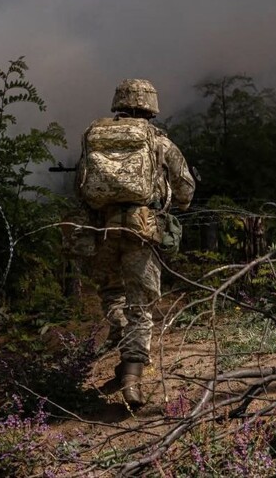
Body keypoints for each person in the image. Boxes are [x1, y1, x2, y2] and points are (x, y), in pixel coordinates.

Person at [75, 79, 195, 408]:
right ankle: (131, 374)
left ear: (118, 103)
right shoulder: (158, 141)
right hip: (140, 234)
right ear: (150, 107)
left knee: (112, 294)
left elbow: (81, 185)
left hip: (101, 233)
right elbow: (185, 188)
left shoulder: (94, 136)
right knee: (140, 307)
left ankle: (121, 340)